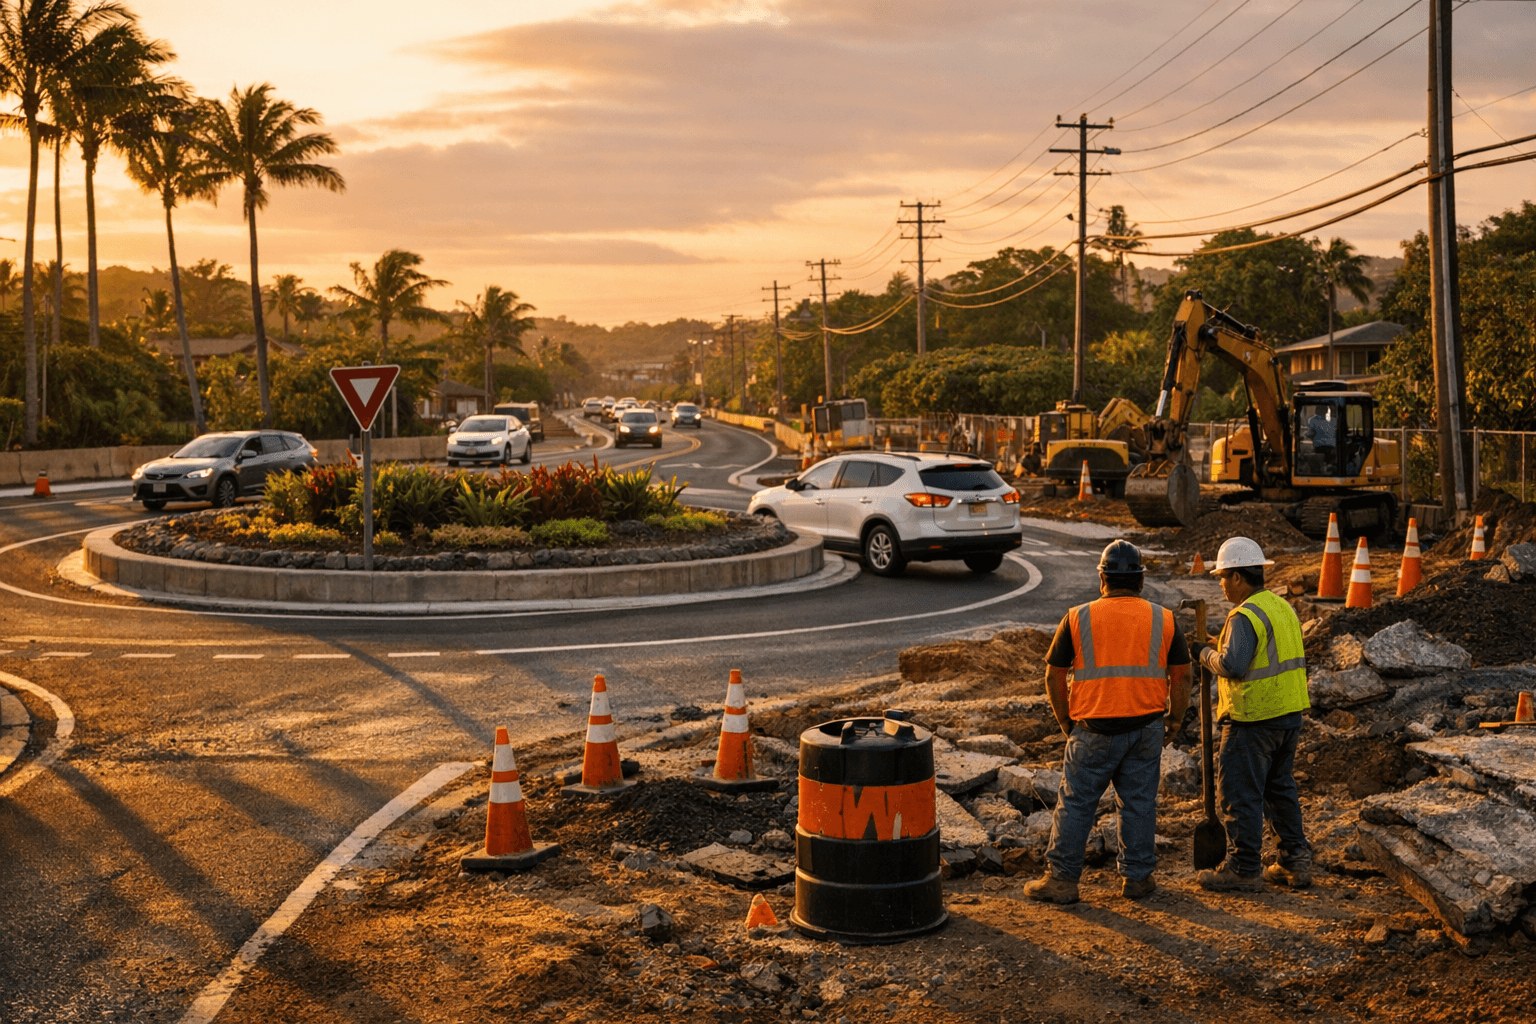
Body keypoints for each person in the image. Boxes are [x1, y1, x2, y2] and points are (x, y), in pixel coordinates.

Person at [1024, 540, 1191, 904]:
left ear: (1102, 578)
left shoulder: (1077, 617)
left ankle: (1062, 881)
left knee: (1076, 803)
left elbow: (1053, 675)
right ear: (1141, 581)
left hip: (1092, 729)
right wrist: (1175, 720)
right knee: (1139, 803)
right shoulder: (1164, 619)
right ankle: (1137, 878)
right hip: (1146, 728)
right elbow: (1182, 677)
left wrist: (1066, 721)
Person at [1190, 536, 1312, 892]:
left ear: (1238, 577)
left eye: (1223, 577)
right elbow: (1262, 652)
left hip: (1253, 718)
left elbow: (1234, 665)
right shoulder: (1281, 607)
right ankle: (1294, 861)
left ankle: (1244, 868)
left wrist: (1203, 654)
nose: (1221, 584)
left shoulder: (1244, 615)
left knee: (1239, 792)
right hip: (1288, 714)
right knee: (1278, 789)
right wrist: (1219, 644)